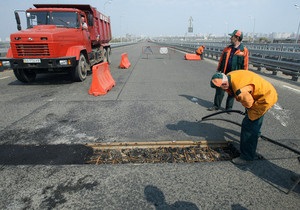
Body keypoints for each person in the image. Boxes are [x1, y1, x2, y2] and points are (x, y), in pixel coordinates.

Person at [210, 70, 278, 165]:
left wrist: (249, 111)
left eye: (222, 86)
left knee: (248, 125)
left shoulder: (240, 91)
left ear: (224, 83)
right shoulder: (229, 76)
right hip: (265, 90)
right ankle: (256, 135)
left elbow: (249, 103)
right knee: (255, 120)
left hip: (264, 98)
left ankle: (247, 157)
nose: (222, 89)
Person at [208, 30, 249, 111]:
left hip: (235, 76)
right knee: (220, 90)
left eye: (232, 36)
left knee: (232, 92)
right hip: (224, 73)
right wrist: (219, 70)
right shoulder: (227, 48)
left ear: (237, 38)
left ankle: (229, 108)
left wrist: (244, 77)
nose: (230, 38)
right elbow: (221, 60)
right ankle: (216, 105)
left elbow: (245, 65)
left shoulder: (244, 50)